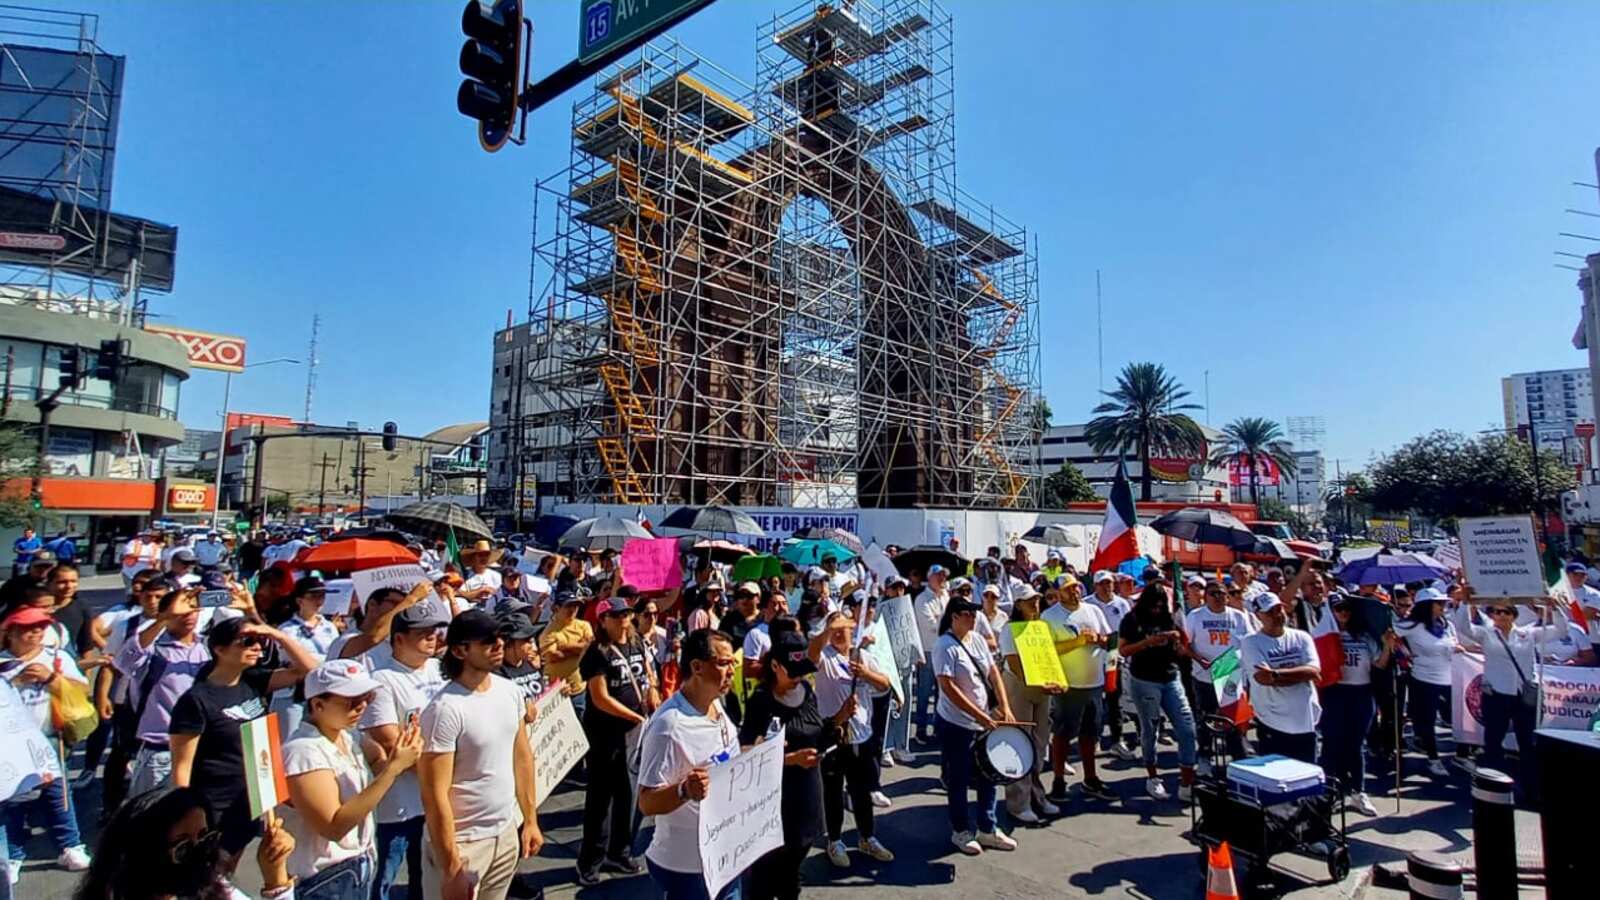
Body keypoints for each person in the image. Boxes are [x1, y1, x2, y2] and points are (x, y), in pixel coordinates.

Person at [170, 615, 318, 866]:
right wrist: (188, 812)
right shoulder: (196, 699)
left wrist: (278, 635)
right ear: (219, 649)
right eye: (247, 642)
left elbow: (312, 671)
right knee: (204, 876)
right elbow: (181, 765)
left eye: (259, 642)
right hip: (212, 804)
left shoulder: (252, 682)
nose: (257, 648)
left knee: (225, 872)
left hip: (250, 797)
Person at [417, 610, 543, 900]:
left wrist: (530, 820)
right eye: (487, 640)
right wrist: (451, 867)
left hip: (505, 833)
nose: (499, 644)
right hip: (463, 843)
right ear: (461, 650)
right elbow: (434, 795)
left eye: (500, 637)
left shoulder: (510, 691)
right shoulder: (444, 710)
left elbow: (522, 758)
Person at [282, 659, 422, 899]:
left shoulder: (347, 735)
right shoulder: (303, 751)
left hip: (355, 867)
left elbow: (377, 762)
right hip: (323, 879)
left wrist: (399, 755)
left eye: (366, 698)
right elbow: (334, 826)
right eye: (351, 701)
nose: (361, 706)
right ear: (318, 704)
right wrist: (394, 769)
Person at [637, 628, 741, 900]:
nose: (731, 671)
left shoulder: (716, 704)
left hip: (726, 857)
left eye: (733, 663)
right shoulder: (668, 727)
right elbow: (647, 802)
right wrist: (685, 790)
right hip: (688, 868)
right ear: (697, 667)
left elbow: (725, 759)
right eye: (723, 663)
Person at [360, 599, 451, 900]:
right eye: (421, 632)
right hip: (400, 803)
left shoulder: (441, 670)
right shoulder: (381, 679)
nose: (432, 636)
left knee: (426, 878)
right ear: (398, 638)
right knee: (382, 878)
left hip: (437, 798)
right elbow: (389, 739)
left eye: (434, 630)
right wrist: (443, 771)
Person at [73, 786, 298, 900]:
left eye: (205, 837)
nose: (201, 853)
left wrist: (275, 876)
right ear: (145, 854)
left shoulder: (213, 888)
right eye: (183, 848)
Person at [0, 605, 92, 876]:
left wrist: (52, 678)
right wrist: (14, 682)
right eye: (29, 628)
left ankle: (71, 845)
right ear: (12, 633)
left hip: (51, 738)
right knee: (13, 798)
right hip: (10, 744)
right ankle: (13, 854)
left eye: (41, 626)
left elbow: (82, 688)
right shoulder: (3, 663)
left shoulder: (57, 657)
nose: (37, 632)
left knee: (59, 792)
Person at [1452, 588, 1569, 800]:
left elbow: (1561, 630)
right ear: (1493, 615)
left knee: (1528, 744)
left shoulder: (1527, 633)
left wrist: (1554, 607)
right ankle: (1495, 788)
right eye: (1497, 612)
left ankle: (1531, 789)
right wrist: (1466, 603)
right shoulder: (1486, 634)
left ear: (1514, 614)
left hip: (1523, 695)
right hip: (1497, 695)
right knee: (1494, 743)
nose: (1501, 615)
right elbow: (1463, 627)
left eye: (1506, 611)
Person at [739, 628, 824, 900]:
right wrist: (789, 760)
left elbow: (816, 731)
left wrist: (840, 720)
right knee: (765, 876)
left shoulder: (807, 690)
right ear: (775, 665)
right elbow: (744, 753)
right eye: (792, 672)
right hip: (773, 803)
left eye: (802, 671)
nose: (798, 678)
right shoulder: (761, 702)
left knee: (792, 871)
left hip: (807, 796)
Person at [576, 597, 656, 885]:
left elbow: (645, 675)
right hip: (605, 733)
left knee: (627, 794)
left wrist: (651, 694)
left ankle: (619, 851)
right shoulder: (598, 653)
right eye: (616, 615)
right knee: (600, 799)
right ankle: (590, 860)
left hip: (633, 732)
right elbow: (600, 698)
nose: (623, 618)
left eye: (626, 613)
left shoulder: (636, 644)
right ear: (603, 620)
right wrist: (634, 717)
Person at [933, 597, 1017, 856]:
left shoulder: (978, 640)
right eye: (967, 614)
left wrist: (1005, 706)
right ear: (954, 617)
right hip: (957, 723)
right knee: (958, 778)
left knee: (988, 775)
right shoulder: (944, 646)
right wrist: (978, 715)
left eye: (973, 614)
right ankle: (961, 830)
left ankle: (988, 828)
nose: (973, 618)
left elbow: (993, 673)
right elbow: (948, 687)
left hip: (983, 720)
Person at [813, 612, 893, 867]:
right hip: (833, 735)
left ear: (852, 630)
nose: (839, 632)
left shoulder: (862, 656)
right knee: (833, 792)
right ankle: (834, 840)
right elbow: (811, 653)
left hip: (862, 736)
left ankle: (867, 837)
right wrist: (826, 631)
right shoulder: (825, 656)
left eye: (844, 627)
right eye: (833, 628)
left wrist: (866, 674)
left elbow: (885, 684)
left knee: (861, 791)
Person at [1119, 584, 1198, 801]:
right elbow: (1123, 650)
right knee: (1150, 730)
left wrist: (1176, 639)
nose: (1158, 608)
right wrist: (1147, 642)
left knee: (1187, 729)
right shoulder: (1132, 619)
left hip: (1171, 676)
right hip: (1144, 679)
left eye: (1162, 604)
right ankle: (1153, 777)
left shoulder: (1170, 617)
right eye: (1154, 604)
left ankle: (1186, 783)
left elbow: (1183, 645)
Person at [1319, 593, 1394, 817]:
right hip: (1335, 693)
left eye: (1347, 609)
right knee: (1332, 744)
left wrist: (1387, 646)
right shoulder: (1324, 635)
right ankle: (1332, 791)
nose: (1343, 613)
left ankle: (1358, 791)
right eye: (1338, 609)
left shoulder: (1363, 636)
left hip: (1362, 693)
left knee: (1356, 744)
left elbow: (1379, 665)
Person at [1042, 578, 1116, 802]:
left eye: (1076, 587)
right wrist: (1077, 642)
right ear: (1058, 593)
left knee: (1090, 734)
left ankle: (1091, 778)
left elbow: (1111, 640)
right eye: (1068, 589)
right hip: (1067, 685)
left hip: (1094, 682)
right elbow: (1047, 650)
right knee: (1063, 734)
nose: (1074, 591)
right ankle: (1058, 780)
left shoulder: (1093, 610)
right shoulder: (1049, 616)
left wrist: (1100, 639)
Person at [996, 586, 1062, 823]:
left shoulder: (1041, 627)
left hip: (1041, 687)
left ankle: (1036, 792)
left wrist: (1055, 681)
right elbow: (1014, 664)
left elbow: (1049, 658)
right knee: (1019, 742)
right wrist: (1038, 682)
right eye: (1028, 601)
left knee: (1040, 742)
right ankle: (1017, 801)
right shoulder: (1009, 630)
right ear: (1018, 604)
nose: (1034, 604)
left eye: (1036, 599)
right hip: (1019, 686)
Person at [1238, 593, 1322, 763]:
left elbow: (1313, 672)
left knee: (1306, 775)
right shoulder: (1251, 642)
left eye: (1279, 609)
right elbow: (1263, 678)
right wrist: (1298, 675)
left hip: (1304, 721)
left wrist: (1276, 674)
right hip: (1273, 721)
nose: (1277, 615)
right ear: (1258, 616)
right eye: (1270, 612)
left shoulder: (1301, 637)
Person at [1184, 577, 1254, 764]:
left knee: (1233, 719)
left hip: (1229, 674)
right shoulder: (1196, 616)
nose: (1218, 597)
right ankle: (1205, 756)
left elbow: (1249, 644)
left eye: (1222, 593)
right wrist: (1199, 659)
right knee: (1206, 718)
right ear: (1205, 596)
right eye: (1213, 593)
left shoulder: (1238, 616)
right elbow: (1185, 644)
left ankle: (1239, 759)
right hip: (1203, 675)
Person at [1394, 586, 1458, 777]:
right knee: (1427, 721)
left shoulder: (1448, 624)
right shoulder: (1411, 625)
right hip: (1424, 679)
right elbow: (1391, 635)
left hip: (1449, 678)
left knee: (1455, 717)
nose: (1443, 606)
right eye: (1439, 603)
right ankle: (1433, 758)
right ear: (1427, 605)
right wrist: (1405, 653)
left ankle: (1461, 755)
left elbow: (1455, 644)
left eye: (1444, 602)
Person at [538, 591, 594, 716]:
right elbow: (552, 656)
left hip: (580, 688)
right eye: (568, 606)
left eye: (576, 606)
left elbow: (590, 649)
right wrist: (579, 649)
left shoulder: (584, 625)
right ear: (557, 608)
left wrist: (563, 646)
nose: (573, 609)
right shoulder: (549, 632)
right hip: (558, 692)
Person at [912, 564, 950, 744]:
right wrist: (944, 621)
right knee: (924, 692)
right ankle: (920, 728)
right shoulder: (921, 599)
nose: (942, 579)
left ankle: (938, 727)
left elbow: (942, 623)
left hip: (943, 650)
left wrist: (941, 619)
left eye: (943, 576)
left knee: (942, 693)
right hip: (928, 650)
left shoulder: (946, 596)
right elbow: (931, 626)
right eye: (938, 576)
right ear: (930, 578)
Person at [494, 613, 545, 716]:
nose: (533, 647)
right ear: (508, 643)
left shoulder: (530, 664)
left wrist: (558, 692)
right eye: (526, 641)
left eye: (532, 640)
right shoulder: (497, 675)